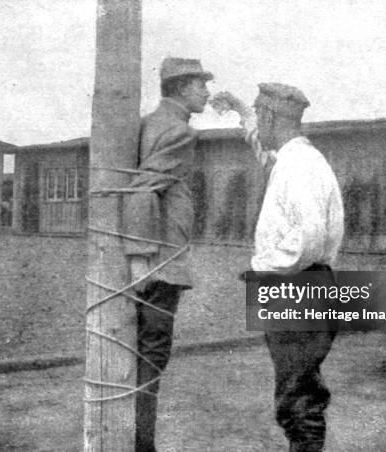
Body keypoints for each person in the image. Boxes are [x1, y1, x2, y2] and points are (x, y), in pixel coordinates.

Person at [214, 84, 344, 451]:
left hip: (298, 287)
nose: (257, 122)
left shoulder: (298, 166)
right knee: (297, 393)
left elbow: (309, 239)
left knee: (297, 401)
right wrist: (241, 112)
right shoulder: (293, 158)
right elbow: (262, 148)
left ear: (270, 117)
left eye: (259, 114)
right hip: (305, 284)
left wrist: (264, 266)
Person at [122, 57, 212, 452]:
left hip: (153, 261)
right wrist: (141, 258)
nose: (206, 92)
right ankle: (143, 446)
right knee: (153, 358)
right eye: (199, 85)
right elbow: (144, 190)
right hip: (162, 266)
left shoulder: (149, 124)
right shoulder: (178, 132)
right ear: (179, 89)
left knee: (139, 354)